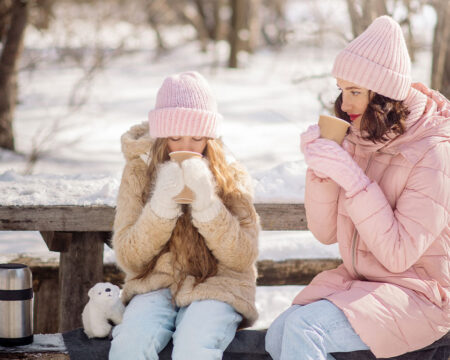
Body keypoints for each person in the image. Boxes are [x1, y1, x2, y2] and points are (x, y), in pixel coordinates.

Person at [266, 15, 450, 360]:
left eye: (355, 92)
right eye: (341, 90)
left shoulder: (435, 151)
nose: (344, 105)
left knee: (305, 330)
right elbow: (324, 233)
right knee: (276, 335)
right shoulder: (361, 136)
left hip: (421, 294)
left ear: (384, 96)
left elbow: (398, 254)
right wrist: (322, 172)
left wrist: (352, 179)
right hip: (363, 284)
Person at [109, 71, 259, 360]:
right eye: (175, 138)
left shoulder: (231, 173)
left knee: (193, 349)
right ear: (161, 136)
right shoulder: (139, 172)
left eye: (198, 138)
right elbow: (130, 257)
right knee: (130, 345)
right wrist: (161, 208)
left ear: (211, 137)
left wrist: (208, 206)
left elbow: (242, 256)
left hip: (220, 284)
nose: (186, 149)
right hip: (156, 282)